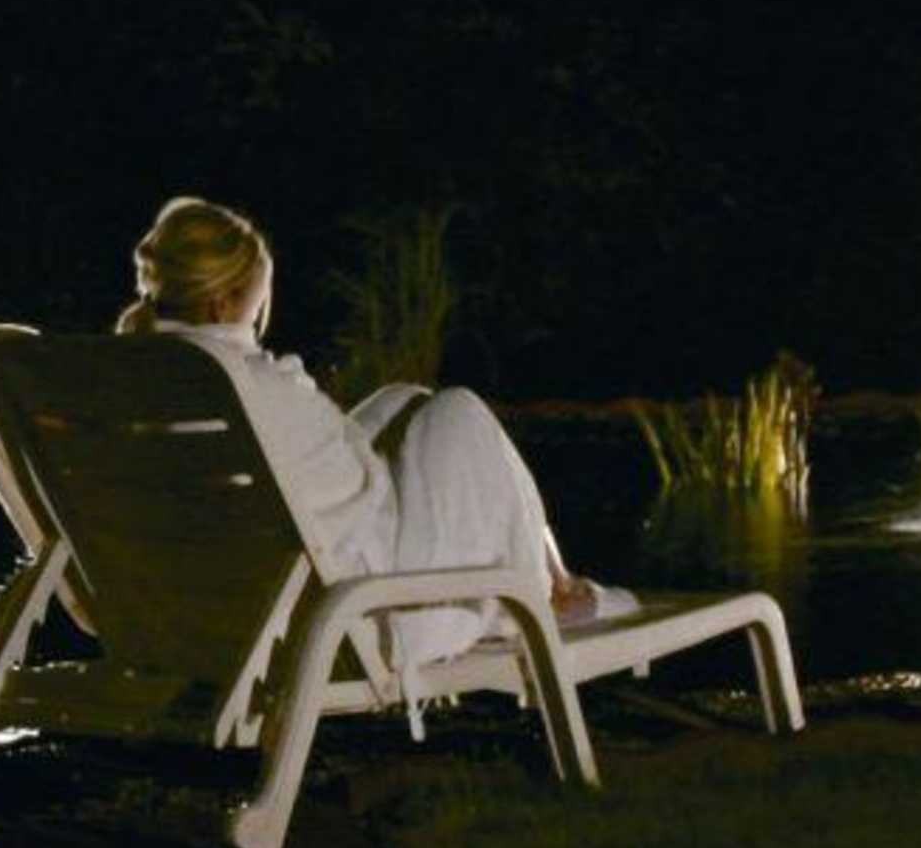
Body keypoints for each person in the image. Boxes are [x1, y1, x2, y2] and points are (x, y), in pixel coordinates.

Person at [114, 196, 632, 664]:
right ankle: (547, 595)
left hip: (212, 603)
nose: (257, 322)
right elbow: (348, 483)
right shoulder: (239, 386)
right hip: (355, 617)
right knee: (459, 412)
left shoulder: (133, 382)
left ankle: (554, 581)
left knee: (404, 399)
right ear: (222, 303)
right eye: (255, 307)